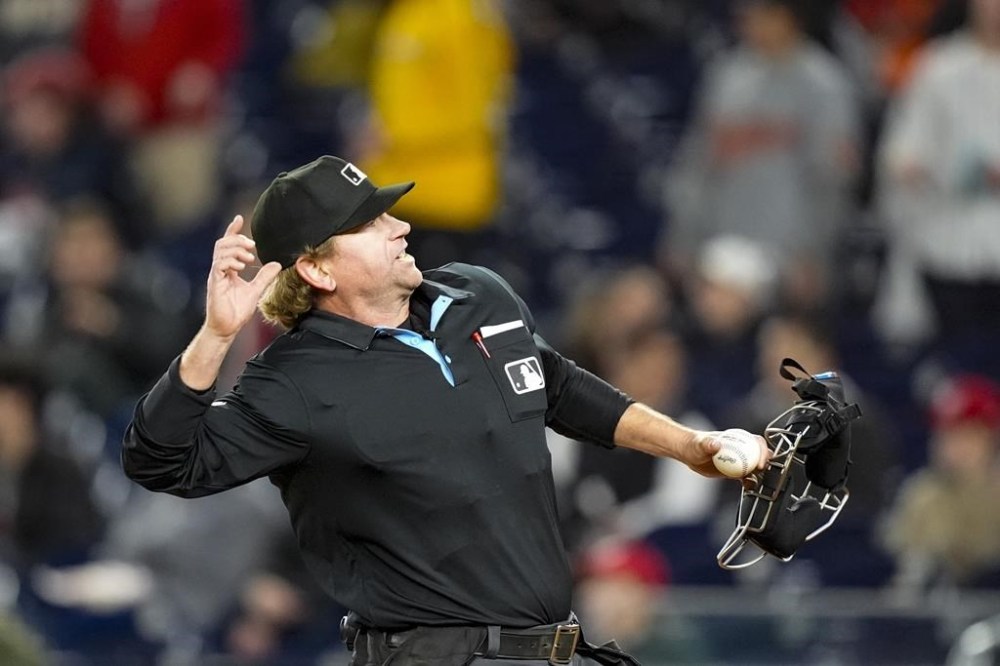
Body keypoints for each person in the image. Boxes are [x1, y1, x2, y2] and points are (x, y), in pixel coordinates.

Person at [120, 155, 768, 665]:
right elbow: (160, 461)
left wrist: (688, 446)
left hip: (551, 648)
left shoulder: (477, 294)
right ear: (316, 269)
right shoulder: (291, 381)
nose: (399, 225)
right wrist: (215, 336)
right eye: (370, 222)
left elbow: (558, 387)